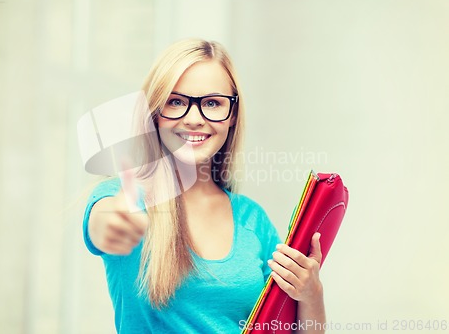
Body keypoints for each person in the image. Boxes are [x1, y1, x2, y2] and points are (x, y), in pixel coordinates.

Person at [83, 38, 326, 333]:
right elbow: (103, 223)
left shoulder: (252, 219)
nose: (194, 119)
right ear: (154, 113)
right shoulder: (125, 199)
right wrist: (114, 223)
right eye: (176, 102)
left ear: (232, 114)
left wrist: (311, 293)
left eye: (212, 103)